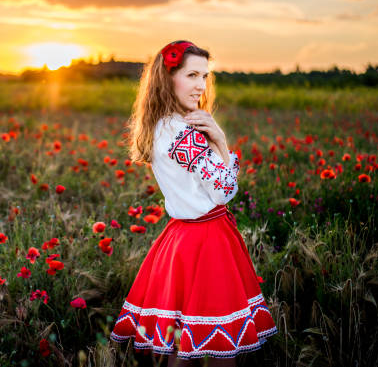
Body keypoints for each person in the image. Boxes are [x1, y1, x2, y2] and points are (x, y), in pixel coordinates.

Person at [109, 40, 278, 366]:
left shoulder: (160, 127)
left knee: (183, 348)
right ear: (167, 78)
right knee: (218, 350)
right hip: (207, 241)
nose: (201, 86)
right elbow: (224, 190)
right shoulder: (184, 133)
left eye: (205, 76)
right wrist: (221, 140)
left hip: (180, 239)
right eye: (192, 75)